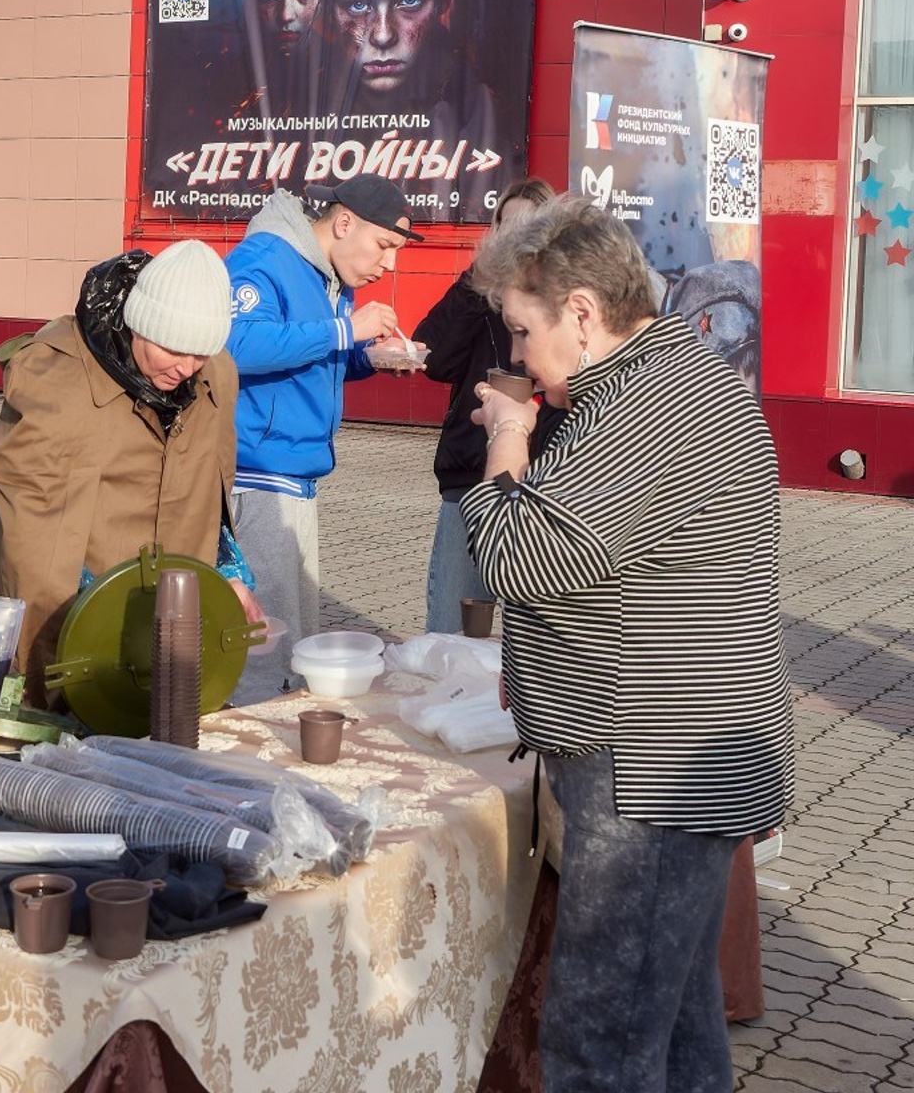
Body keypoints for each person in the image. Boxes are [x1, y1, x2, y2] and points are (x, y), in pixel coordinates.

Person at [461, 195, 793, 1092]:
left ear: (580, 311)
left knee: (598, 1046)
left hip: (650, 769)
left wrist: (508, 438)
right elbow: (609, 564)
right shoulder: (672, 376)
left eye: (524, 332)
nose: (521, 359)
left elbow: (515, 555)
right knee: (676, 1026)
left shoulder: (648, 406)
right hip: (670, 750)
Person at [0, 240, 260, 707]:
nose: (186, 368)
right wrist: (84, 624)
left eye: (201, 353)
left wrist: (226, 573)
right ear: (139, 324)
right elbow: (29, 532)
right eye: (173, 348)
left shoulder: (216, 374)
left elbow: (214, 491)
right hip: (75, 613)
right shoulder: (58, 377)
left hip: (170, 626)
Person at [225, 174, 422, 680]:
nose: (390, 263)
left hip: (297, 476)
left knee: (291, 639)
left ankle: (277, 730)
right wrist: (344, 330)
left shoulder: (329, 276)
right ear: (343, 222)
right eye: (383, 245)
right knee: (261, 645)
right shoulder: (264, 259)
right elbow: (235, 346)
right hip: (257, 475)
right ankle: (248, 743)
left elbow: (315, 355)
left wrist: (369, 357)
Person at [321, 0, 519, 213]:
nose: (382, 35)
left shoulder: (478, 112)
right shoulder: (298, 108)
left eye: (409, 0)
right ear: (328, 9)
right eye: (357, 6)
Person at [416, 176, 555, 632]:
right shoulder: (477, 295)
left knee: (531, 639)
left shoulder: (559, 310)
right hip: (469, 479)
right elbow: (433, 356)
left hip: (541, 486)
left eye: (527, 228)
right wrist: (477, 281)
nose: (513, 239)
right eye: (504, 226)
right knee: (451, 630)